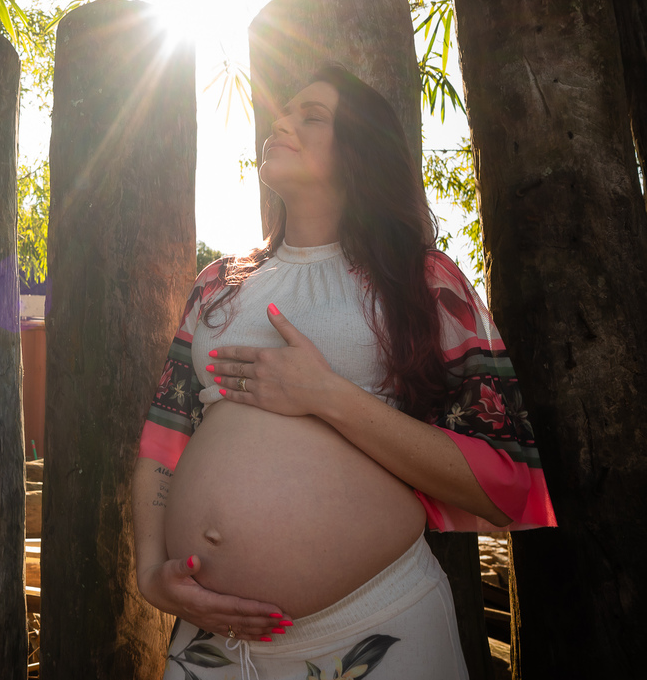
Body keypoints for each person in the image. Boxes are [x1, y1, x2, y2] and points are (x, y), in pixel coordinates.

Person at [131, 64, 556, 680]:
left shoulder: (421, 282)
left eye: (312, 116)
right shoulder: (218, 285)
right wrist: (150, 573)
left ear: (360, 151)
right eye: (283, 112)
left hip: (374, 630)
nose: (281, 122)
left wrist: (326, 395)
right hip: (210, 646)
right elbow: (165, 439)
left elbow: (505, 483)